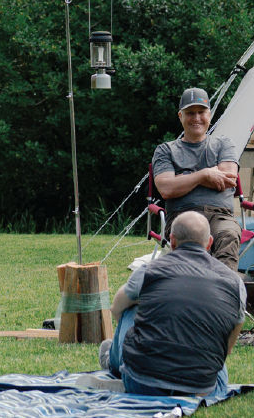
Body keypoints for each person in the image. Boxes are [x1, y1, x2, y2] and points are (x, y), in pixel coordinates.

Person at [104, 210, 246, 400]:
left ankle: (113, 360)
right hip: (203, 389)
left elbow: (116, 308)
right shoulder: (235, 283)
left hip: (143, 383)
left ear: (172, 241)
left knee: (131, 307)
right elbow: (227, 348)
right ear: (210, 242)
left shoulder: (149, 271)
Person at [151, 87, 242, 270]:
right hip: (182, 216)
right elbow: (166, 189)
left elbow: (228, 180)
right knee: (190, 241)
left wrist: (183, 178)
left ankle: (221, 286)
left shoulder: (224, 144)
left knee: (229, 235)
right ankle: (194, 285)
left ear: (210, 114)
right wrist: (205, 174)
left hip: (220, 216)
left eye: (201, 112)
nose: (196, 118)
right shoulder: (165, 150)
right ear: (180, 116)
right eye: (190, 113)